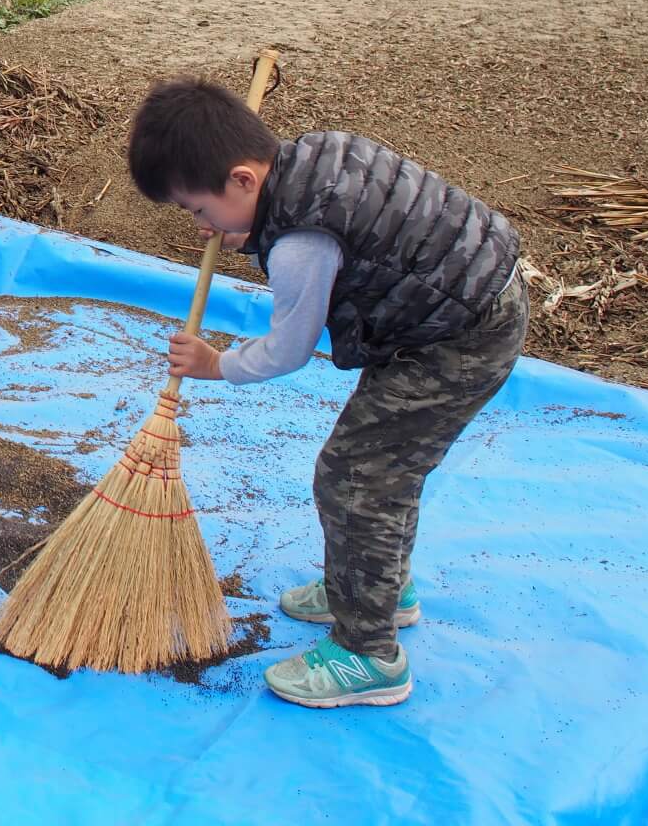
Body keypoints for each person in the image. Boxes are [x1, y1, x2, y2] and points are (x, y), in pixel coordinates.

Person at [127, 78, 527, 708]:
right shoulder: (311, 158)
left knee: (356, 479)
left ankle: (369, 654)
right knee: (385, 470)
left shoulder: (301, 246)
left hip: (457, 340)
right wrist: (242, 230)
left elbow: (288, 349)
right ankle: (378, 587)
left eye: (197, 210)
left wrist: (217, 363)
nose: (200, 227)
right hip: (458, 300)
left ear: (242, 179)